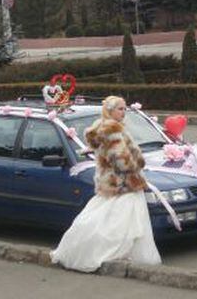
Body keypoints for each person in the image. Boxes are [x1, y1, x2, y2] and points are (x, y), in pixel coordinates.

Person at [50, 95, 161, 271]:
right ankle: (113, 253)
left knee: (108, 215)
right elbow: (121, 159)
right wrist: (137, 165)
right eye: (120, 109)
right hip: (122, 182)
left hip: (112, 181)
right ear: (110, 110)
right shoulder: (111, 129)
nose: (123, 112)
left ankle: (89, 247)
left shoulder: (102, 127)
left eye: (125, 108)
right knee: (123, 220)